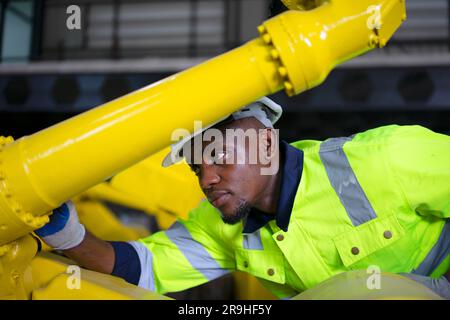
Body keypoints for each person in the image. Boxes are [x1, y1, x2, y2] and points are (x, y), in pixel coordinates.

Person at [35, 97, 450, 299]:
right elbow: (141, 268)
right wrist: (67, 235)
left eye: (216, 157)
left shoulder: (386, 158)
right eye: (195, 169)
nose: (206, 179)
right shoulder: (219, 225)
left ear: (266, 142)